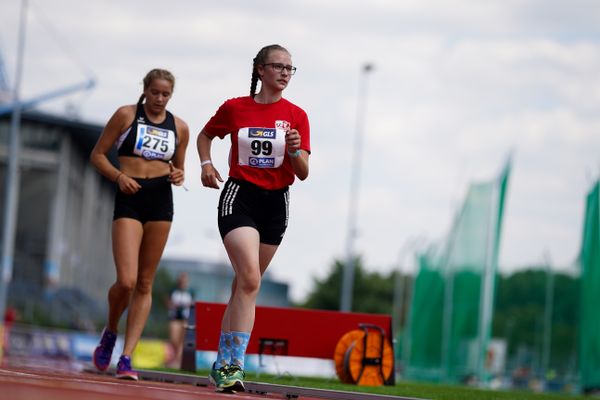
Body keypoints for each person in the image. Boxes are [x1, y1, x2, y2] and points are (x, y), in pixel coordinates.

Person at [197, 44, 310, 392]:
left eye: (290, 68)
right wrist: (206, 163)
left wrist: (293, 149)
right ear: (260, 70)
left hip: (276, 204)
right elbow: (205, 135)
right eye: (278, 66)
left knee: (244, 285)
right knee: (249, 279)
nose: (285, 73)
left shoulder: (297, 115)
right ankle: (234, 365)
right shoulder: (235, 108)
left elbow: (303, 172)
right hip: (239, 197)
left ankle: (221, 359)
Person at [89, 68, 189, 380]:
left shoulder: (180, 127)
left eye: (166, 94)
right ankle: (111, 330)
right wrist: (119, 176)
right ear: (145, 90)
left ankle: (127, 357)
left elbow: (180, 169)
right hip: (129, 197)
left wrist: (178, 175)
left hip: (160, 202)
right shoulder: (126, 115)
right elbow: (98, 155)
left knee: (145, 283)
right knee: (127, 281)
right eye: (155, 92)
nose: (160, 99)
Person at [167, 271, 194, 368]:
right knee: (174, 338)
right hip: (174, 317)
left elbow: (193, 303)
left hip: (185, 318)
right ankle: (175, 358)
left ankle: (178, 360)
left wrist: (188, 305)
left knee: (182, 340)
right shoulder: (173, 290)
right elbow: (168, 302)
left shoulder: (190, 291)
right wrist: (173, 305)